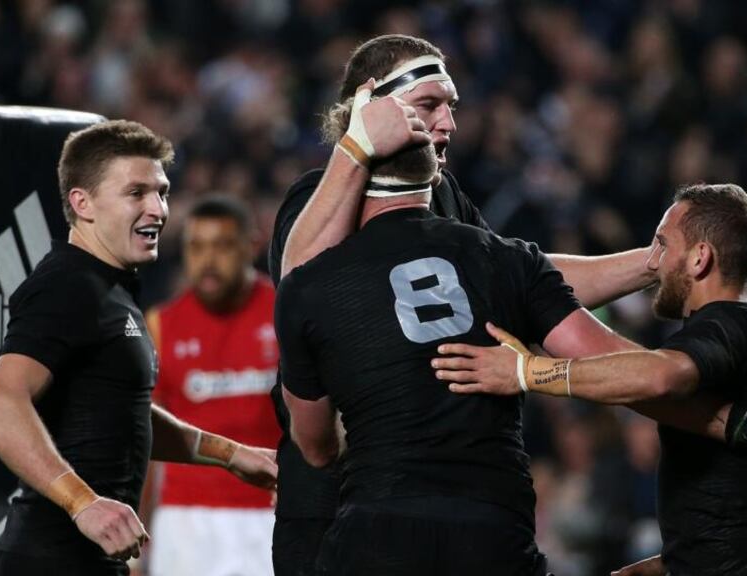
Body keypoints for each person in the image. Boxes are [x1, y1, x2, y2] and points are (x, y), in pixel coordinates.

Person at [269, 33, 658, 575]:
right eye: (430, 104)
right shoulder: (316, 197)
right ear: (372, 105)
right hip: (335, 493)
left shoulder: (447, 197)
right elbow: (301, 283)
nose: (449, 122)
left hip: (456, 490)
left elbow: (526, 278)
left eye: (451, 105)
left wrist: (651, 263)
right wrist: (354, 148)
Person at [439, 184, 747, 575]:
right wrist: (675, 562)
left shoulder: (728, 322)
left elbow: (662, 376)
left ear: (700, 258)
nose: (654, 262)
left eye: (662, 244)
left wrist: (526, 371)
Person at [0, 120, 277, 576]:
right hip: (50, 561)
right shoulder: (66, 285)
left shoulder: (111, 287)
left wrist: (229, 453)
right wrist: (84, 503)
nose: (158, 209)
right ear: (83, 203)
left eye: (162, 192)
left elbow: (124, 412)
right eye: (136, 193)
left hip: (91, 558)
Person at [139, 196, 282, 576]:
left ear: (251, 246)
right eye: (197, 247)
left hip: (270, 515)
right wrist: (138, 540)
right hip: (184, 521)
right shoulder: (161, 325)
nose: (208, 260)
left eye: (222, 246)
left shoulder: (284, 314)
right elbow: (147, 440)